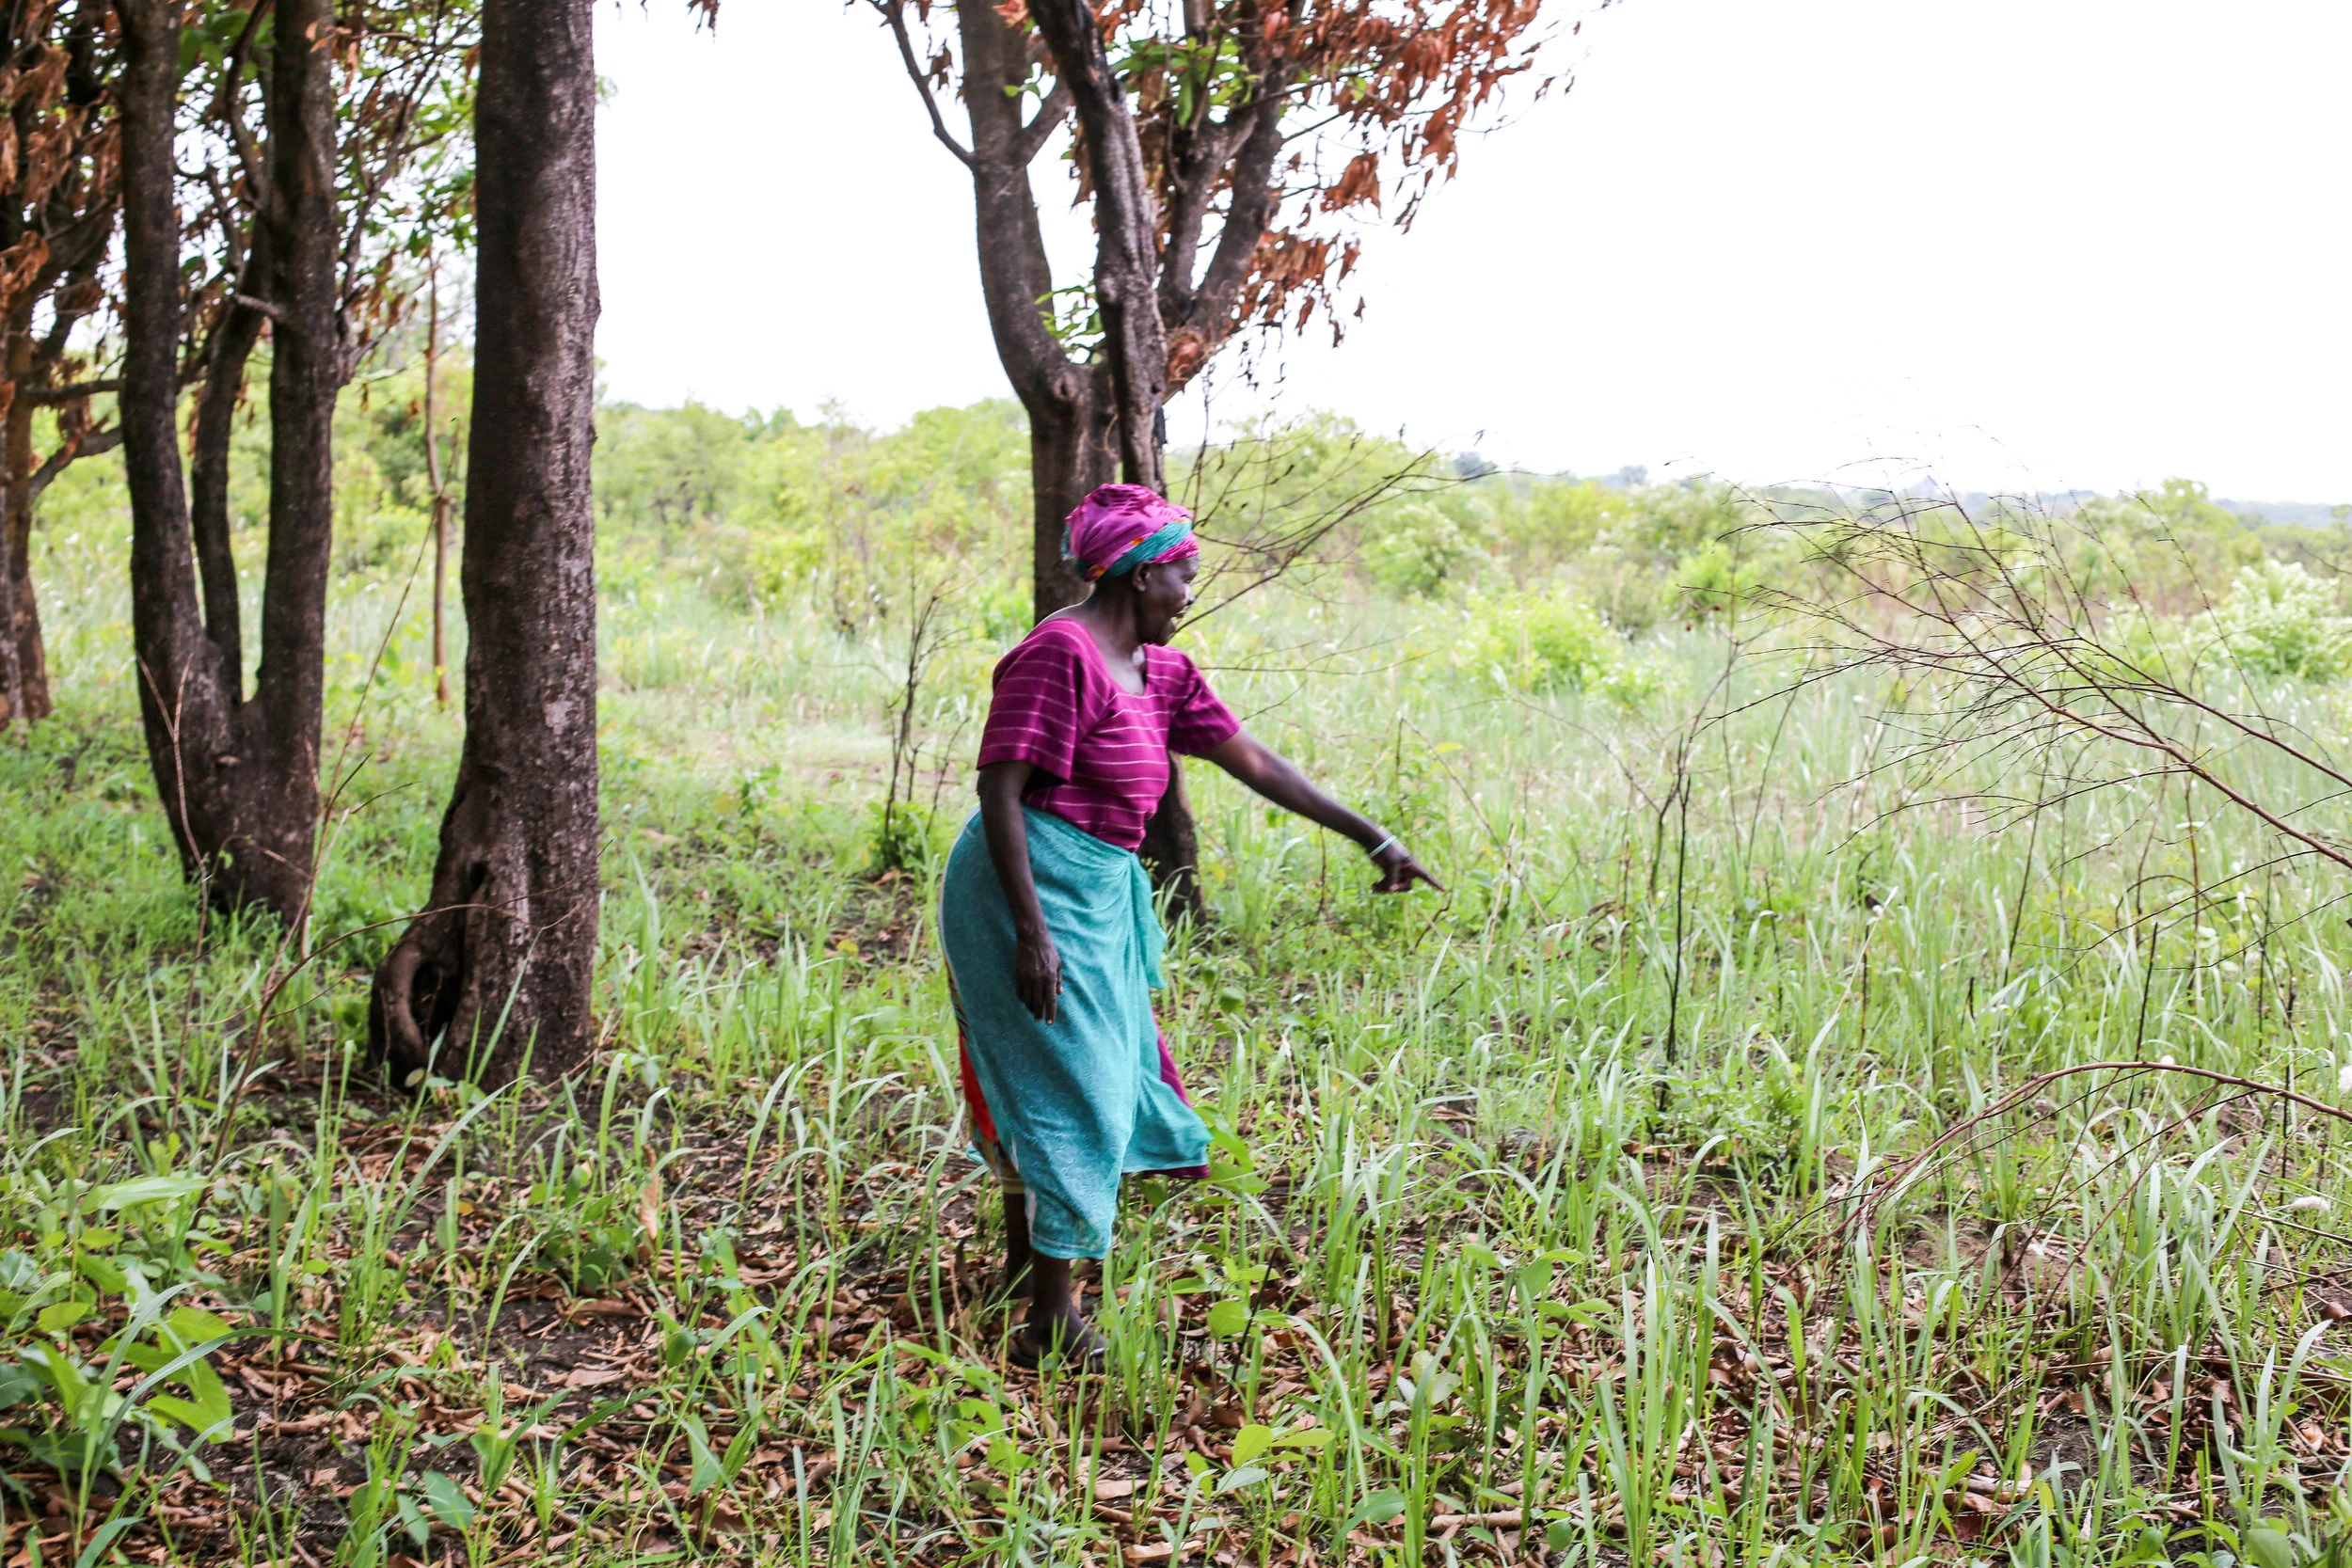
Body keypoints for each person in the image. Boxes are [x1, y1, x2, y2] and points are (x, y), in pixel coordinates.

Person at [937, 482, 1442, 1368]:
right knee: (1077, 1087)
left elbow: (1253, 760)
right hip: (1020, 889)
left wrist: (1373, 836)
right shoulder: (1063, 655)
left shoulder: (1161, 671)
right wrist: (1032, 932)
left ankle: (1026, 1265)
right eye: (1183, 574)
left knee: (1072, 1072)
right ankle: (1050, 1320)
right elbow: (1001, 790)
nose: (1190, 590)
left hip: (1095, 891)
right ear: (1138, 575)